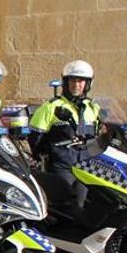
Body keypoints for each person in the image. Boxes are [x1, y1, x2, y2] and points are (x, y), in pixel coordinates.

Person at [29, 60, 100, 207]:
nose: (76, 85)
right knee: (65, 204)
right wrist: (45, 156)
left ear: (87, 84)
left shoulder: (92, 107)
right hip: (62, 165)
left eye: (80, 81)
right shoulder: (51, 107)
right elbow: (34, 138)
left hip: (86, 164)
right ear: (65, 82)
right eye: (72, 80)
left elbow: (99, 134)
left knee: (84, 204)